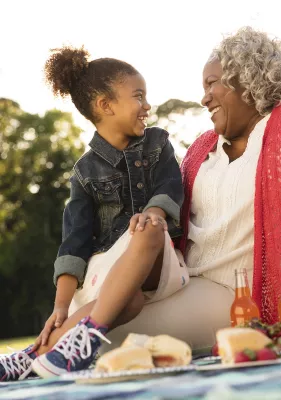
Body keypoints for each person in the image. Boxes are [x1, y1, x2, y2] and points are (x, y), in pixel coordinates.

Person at [84, 26, 281, 356]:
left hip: (236, 294)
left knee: (111, 332)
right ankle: (36, 356)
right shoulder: (202, 150)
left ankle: (40, 357)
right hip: (182, 281)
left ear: (248, 78)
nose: (204, 98)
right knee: (93, 306)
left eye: (212, 83)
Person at [0, 46, 188, 381]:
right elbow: (73, 242)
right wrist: (60, 306)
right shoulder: (84, 172)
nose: (147, 106)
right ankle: (36, 357)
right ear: (105, 105)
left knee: (149, 227)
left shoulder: (158, 143)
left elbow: (170, 183)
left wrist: (154, 211)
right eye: (139, 96)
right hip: (109, 270)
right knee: (127, 304)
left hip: (158, 259)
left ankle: (59, 347)